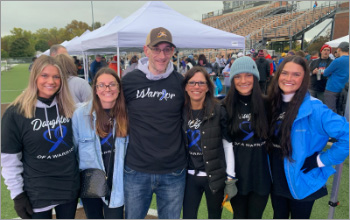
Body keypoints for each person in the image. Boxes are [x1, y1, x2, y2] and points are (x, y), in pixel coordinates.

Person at [267, 55, 349, 219]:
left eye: (296, 74)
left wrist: (320, 160)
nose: (289, 78)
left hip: (302, 177)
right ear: (278, 76)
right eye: (285, 73)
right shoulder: (271, 103)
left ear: (304, 78)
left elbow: (347, 136)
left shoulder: (315, 108)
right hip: (276, 176)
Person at [1, 55, 79, 219]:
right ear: (34, 76)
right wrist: (17, 195)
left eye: (56, 76)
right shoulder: (15, 113)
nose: (51, 81)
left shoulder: (68, 107)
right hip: (38, 191)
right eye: (45, 75)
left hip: (68, 186)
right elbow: (9, 159)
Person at [121, 27, 187, 219]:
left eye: (167, 49)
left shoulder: (180, 82)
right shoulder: (129, 81)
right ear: (146, 50)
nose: (162, 55)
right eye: (156, 49)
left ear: (173, 52)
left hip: (173, 171)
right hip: (136, 170)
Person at [72, 67, 128, 219]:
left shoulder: (127, 114)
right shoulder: (80, 115)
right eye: (101, 85)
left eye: (112, 84)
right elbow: (74, 152)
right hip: (91, 180)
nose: (107, 89)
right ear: (95, 89)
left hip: (117, 179)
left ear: (119, 88)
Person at [181, 66, 232, 219]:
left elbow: (227, 144)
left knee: (214, 216)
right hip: (189, 176)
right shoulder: (180, 110)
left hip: (214, 176)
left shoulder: (218, 110)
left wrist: (230, 176)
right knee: (188, 216)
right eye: (192, 83)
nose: (196, 87)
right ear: (185, 86)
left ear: (208, 87)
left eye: (201, 83)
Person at [224, 56, 271, 219]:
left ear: (256, 78)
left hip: (261, 176)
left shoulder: (268, 104)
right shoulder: (224, 106)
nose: (243, 80)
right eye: (237, 76)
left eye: (248, 75)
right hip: (237, 177)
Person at [323, 42, 349, 114]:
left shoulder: (337, 61)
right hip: (344, 89)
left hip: (332, 88)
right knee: (340, 110)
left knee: (330, 110)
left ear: (339, 49)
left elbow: (325, 73)